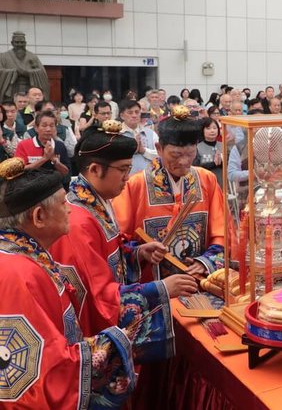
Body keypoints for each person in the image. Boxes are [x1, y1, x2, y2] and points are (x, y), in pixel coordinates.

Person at [0, 158, 138, 407]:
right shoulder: (20, 272)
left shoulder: (24, 254)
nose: (70, 209)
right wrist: (113, 341)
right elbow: (40, 369)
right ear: (39, 216)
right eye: (63, 203)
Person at [48, 121, 195, 349]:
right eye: (123, 169)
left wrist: (138, 254)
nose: (128, 176)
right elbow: (99, 296)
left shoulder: (97, 202)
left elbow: (109, 262)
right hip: (92, 329)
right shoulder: (79, 221)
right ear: (95, 169)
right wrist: (161, 289)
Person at [114, 106, 226, 281]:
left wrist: (205, 262)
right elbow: (119, 242)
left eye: (190, 154)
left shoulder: (207, 180)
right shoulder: (136, 185)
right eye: (175, 155)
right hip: (155, 288)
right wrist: (141, 252)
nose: (183, 161)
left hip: (199, 283)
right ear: (159, 148)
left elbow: (223, 232)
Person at [15, 110, 70, 180]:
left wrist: (55, 161)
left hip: (55, 186)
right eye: (44, 125)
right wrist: (44, 158)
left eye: (52, 126)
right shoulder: (23, 145)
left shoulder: (60, 145)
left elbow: (66, 172)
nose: (48, 129)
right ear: (36, 128)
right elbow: (18, 171)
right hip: (29, 186)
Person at [0, 31, 50, 102]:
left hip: (28, 88)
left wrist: (29, 73)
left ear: (25, 43)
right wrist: (13, 72)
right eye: (17, 42)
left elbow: (42, 72)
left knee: (29, 108)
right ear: (12, 43)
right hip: (11, 90)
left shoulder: (32, 56)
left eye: (22, 42)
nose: (19, 44)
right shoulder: (3, 56)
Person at [119, 99, 159, 175]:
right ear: (122, 116)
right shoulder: (116, 134)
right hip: (124, 179)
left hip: (148, 179)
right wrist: (130, 150)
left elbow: (160, 155)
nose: (134, 115)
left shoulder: (150, 133)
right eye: (130, 113)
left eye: (137, 112)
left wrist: (143, 151)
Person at [194, 117, 223, 185]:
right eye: (208, 128)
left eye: (215, 128)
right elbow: (195, 167)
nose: (212, 131)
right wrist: (213, 163)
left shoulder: (223, 146)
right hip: (204, 183)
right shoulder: (197, 147)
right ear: (202, 130)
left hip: (222, 182)